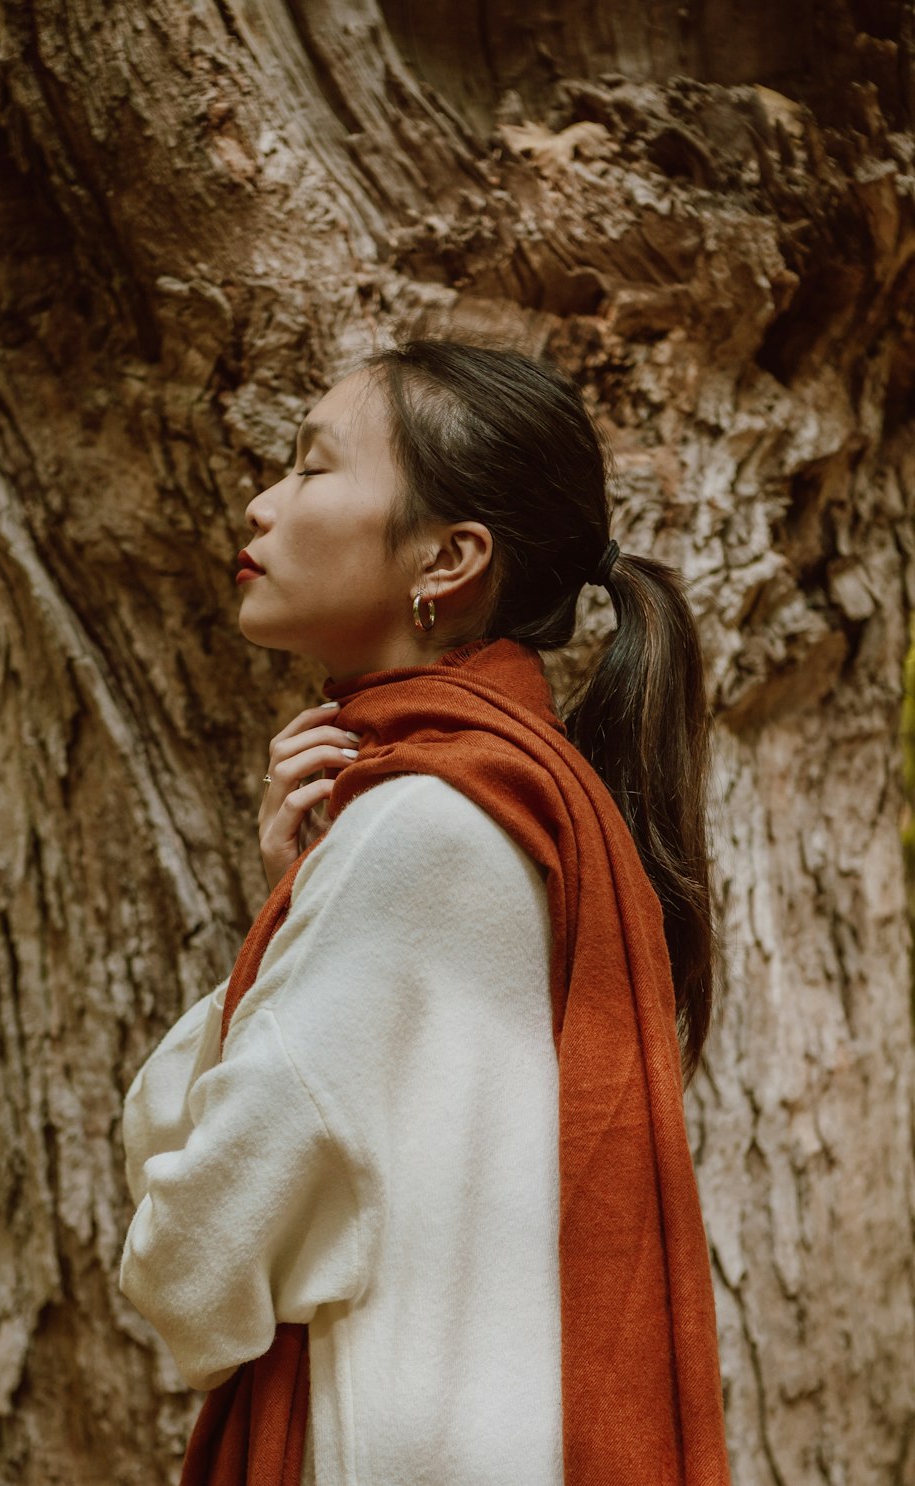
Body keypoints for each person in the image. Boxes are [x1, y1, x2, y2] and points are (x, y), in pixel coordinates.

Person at [119, 339, 731, 1486]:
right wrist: (297, 898)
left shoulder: (416, 830)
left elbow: (194, 1268)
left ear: (447, 558)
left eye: (311, 468)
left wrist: (315, 906)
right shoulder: (498, 805)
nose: (261, 499)